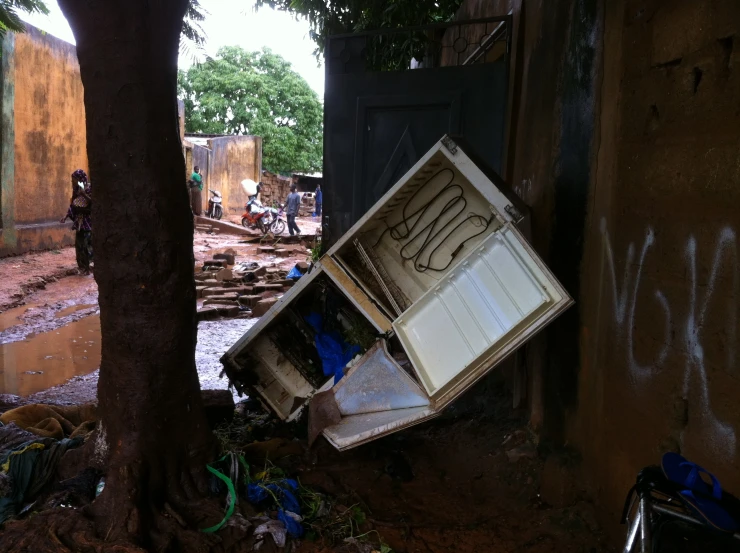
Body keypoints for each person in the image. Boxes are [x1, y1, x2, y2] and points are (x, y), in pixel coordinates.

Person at [60, 169, 93, 274]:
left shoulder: (89, 188)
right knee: (79, 245)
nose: (73, 182)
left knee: (86, 245)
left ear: (80, 179)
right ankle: (82, 266)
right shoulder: (76, 190)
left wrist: (83, 194)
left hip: (88, 221)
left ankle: (87, 267)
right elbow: (73, 205)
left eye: (74, 179)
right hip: (80, 222)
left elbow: (93, 203)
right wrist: (66, 216)